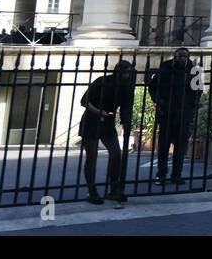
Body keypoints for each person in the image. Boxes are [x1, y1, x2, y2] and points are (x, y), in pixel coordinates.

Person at [79, 60, 136, 204]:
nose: (126, 76)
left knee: (116, 154)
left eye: (128, 73)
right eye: (124, 73)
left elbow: (126, 108)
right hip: (91, 120)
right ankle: (92, 191)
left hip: (108, 122)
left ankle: (113, 189)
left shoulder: (126, 87)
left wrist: (126, 123)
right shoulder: (102, 81)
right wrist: (99, 112)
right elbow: (84, 100)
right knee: (92, 156)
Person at [146, 48, 202, 184]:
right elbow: (153, 86)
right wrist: (159, 101)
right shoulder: (166, 67)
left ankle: (176, 175)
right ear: (175, 56)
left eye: (185, 56)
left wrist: (191, 106)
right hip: (167, 113)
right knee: (164, 147)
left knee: (180, 147)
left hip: (184, 113)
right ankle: (161, 175)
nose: (183, 59)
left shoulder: (193, 70)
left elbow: (198, 91)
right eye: (180, 56)